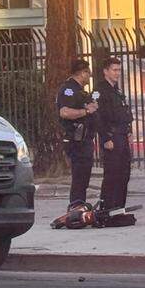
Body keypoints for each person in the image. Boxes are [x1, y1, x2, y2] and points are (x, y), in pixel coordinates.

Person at [94, 56, 134, 215]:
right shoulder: (99, 91)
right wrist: (105, 138)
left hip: (122, 135)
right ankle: (107, 207)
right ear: (105, 71)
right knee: (112, 174)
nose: (118, 73)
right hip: (112, 136)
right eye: (115, 70)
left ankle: (119, 207)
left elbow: (123, 113)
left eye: (119, 70)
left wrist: (129, 131)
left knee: (124, 173)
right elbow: (97, 117)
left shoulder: (116, 91)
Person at [56, 59, 98, 210]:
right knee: (80, 174)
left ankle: (80, 203)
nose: (90, 76)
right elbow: (64, 112)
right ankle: (75, 205)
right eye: (88, 73)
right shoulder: (68, 90)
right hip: (76, 139)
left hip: (85, 139)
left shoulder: (80, 91)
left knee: (84, 174)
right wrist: (86, 111)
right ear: (82, 73)